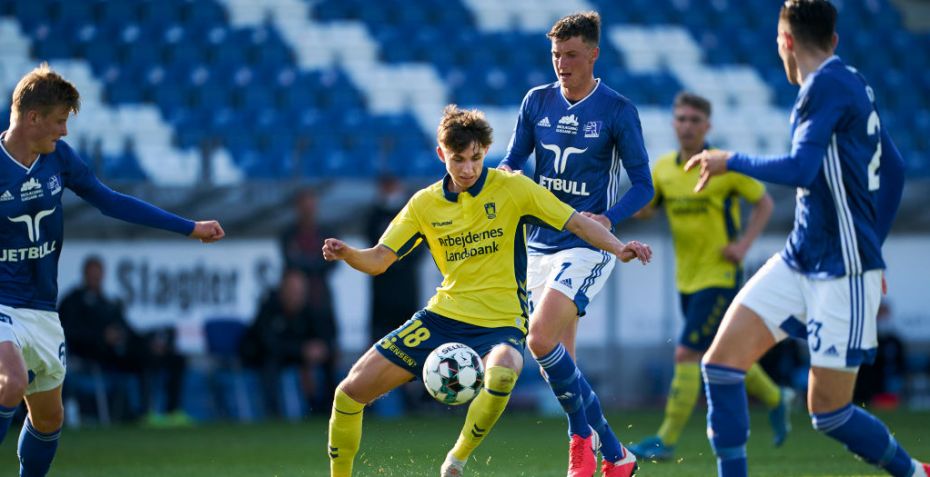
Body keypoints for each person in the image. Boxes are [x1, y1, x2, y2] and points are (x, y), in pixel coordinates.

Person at [324, 105, 651, 477]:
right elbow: (379, 260)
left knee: (504, 372)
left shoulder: (513, 188)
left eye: (476, 158)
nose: (468, 169)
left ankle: (456, 459)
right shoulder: (424, 204)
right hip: (441, 318)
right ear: (441, 154)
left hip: (501, 323)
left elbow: (576, 223)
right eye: (458, 159)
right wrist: (349, 254)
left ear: (485, 153)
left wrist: (618, 247)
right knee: (348, 393)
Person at [684, 1, 927, 475]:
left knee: (829, 413)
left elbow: (800, 168)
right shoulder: (853, 80)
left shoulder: (823, 87)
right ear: (833, 40)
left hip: (843, 271)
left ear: (786, 41)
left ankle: (915, 473)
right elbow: (895, 168)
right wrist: (873, 243)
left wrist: (729, 160)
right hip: (799, 258)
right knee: (721, 366)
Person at [0, 63, 224, 477]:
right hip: (2, 305)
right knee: (10, 382)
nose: (64, 131)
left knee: (49, 419)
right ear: (32, 118)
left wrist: (189, 227)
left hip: (42, 309)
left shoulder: (58, 159)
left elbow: (111, 200)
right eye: (59, 121)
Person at [498, 11, 653, 477]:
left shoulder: (617, 110)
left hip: (587, 244)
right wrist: (505, 174)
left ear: (593, 54)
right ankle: (617, 455)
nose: (562, 64)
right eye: (555, 55)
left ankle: (582, 444)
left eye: (571, 55)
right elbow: (513, 160)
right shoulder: (536, 101)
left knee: (539, 338)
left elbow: (643, 185)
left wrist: (609, 218)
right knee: (557, 361)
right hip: (538, 245)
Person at [628, 92, 790, 460]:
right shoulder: (664, 169)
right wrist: (633, 204)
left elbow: (764, 202)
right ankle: (777, 397)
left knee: (686, 352)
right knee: (717, 353)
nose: (687, 126)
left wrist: (743, 246)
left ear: (707, 126)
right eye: (681, 119)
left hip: (720, 276)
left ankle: (665, 440)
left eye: (694, 120)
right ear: (674, 123)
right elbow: (648, 209)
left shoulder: (722, 165)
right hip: (687, 279)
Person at [59, 256, 189, 426]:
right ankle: (146, 412)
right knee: (144, 358)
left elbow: (129, 330)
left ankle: (172, 412)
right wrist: (101, 336)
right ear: (85, 274)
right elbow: (67, 332)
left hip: (121, 352)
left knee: (175, 358)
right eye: (92, 274)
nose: (96, 278)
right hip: (94, 355)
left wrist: (149, 342)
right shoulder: (72, 301)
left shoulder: (109, 302)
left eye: (98, 274)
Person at [240, 268, 338, 416]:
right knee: (270, 363)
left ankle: (327, 409)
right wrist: (302, 351)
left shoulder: (308, 310)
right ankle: (274, 413)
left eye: (300, 292)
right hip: (264, 356)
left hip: (295, 356)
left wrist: (319, 349)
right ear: (283, 290)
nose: (296, 296)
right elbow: (268, 344)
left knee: (328, 359)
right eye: (292, 291)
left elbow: (323, 334)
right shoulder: (269, 308)